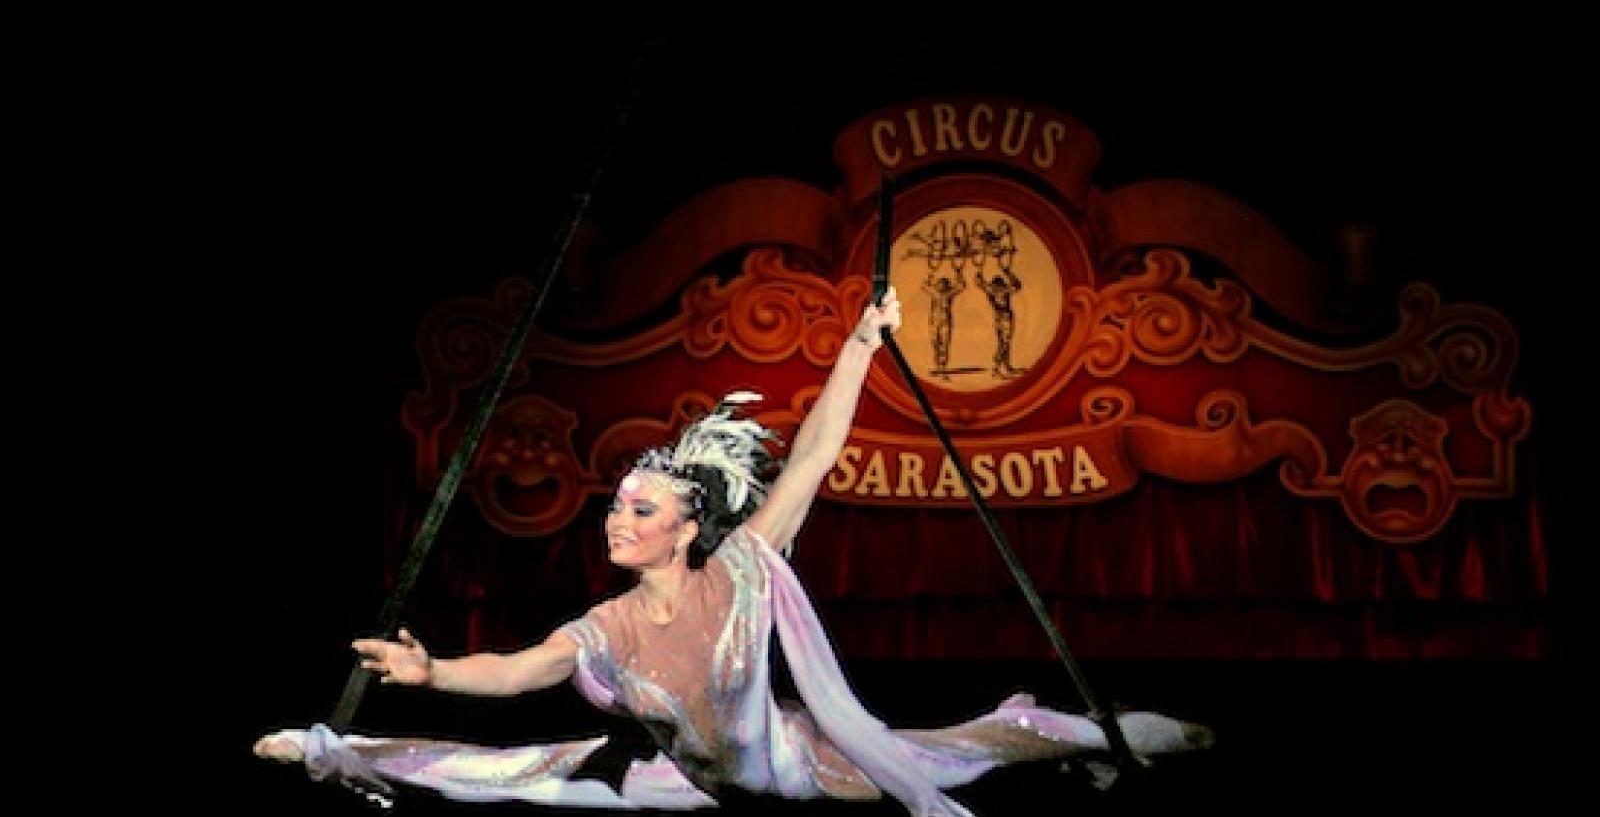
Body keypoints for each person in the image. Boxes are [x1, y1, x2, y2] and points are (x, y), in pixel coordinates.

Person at [255, 287, 1212, 815]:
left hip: (799, 774)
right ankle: (332, 749)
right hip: (692, 788)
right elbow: (515, 674)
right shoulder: (608, 625)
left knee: (983, 750)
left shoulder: (744, 567)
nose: (615, 521)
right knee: (503, 779)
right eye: (617, 508)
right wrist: (428, 672)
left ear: (684, 526)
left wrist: (861, 346)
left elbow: (817, 456)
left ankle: (1139, 734)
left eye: (637, 509)